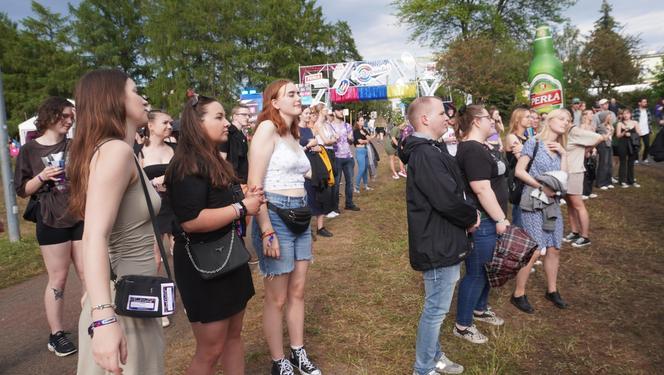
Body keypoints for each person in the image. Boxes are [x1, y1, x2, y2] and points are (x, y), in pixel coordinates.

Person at [67, 69, 163, 374]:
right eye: (135, 91)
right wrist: (104, 317)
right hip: (122, 307)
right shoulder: (116, 152)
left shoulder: (119, 151)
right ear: (114, 100)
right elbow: (94, 235)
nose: (144, 99)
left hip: (133, 299)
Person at [166, 94, 262, 375]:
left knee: (233, 337)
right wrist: (242, 207)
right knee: (210, 349)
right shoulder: (186, 165)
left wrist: (244, 194)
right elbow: (192, 221)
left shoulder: (213, 159)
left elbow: (218, 198)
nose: (227, 123)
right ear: (196, 123)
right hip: (203, 264)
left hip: (228, 256)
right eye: (219, 117)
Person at [399, 96, 479, 375]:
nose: (448, 117)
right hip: (436, 242)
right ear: (424, 119)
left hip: (443, 237)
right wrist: (471, 216)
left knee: (437, 307)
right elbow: (445, 200)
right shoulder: (425, 154)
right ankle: (423, 368)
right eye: (441, 113)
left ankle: (434, 356)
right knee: (436, 310)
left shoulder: (431, 149)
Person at [248, 79, 322, 375]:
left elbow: (304, 172)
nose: (297, 96)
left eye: (298, 92)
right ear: (274, 102)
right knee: (277, 297)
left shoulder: (293, 133)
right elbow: (255, 185)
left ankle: (298, 351)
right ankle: (279, 361)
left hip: (300, 215)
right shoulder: (267, 129)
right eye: (290, 93)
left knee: (299, 290)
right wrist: (266, 228)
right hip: (275, 215)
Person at [14, 96, 84, 357]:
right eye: (64, 116)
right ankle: (56, 335)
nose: (69, 120)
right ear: (50, 116)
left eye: (71, 117)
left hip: (79, 214)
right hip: (50, 218)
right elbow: (22, 190)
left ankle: (94, 325)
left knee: (89, 274)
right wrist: (42, 176)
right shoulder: (29, 150)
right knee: (59, 278)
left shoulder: (75, 145)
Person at [453, 105, 508, 345]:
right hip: (483, 222)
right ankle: (463, 325)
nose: (493, 121)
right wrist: (500, 219)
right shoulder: (472, 150)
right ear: (476, 121)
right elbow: (482, 189)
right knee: (476, 273)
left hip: (489, 220)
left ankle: (480, 308)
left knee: (487, 269)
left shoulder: (478, 147)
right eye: (488, 117)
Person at [510, 109, 569, 314]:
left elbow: (564, 175)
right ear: (549, 120)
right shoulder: (533, 143)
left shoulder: (560, 147)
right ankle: (518, 293)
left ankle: (552, 290)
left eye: (568, 120)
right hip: (534, 200)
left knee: (554, 247)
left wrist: (564, 153)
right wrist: (540, 186)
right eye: (562, 118)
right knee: (535, 249)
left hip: (552, 202)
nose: (565, 123)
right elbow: (519, 171)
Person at [562, 114, 607, 248]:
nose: (563, 121)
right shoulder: (564, 132)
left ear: (569, 119)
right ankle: (575, 231)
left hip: (575, 172)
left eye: (565, 119)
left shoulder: (575, 130)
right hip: (565, 172)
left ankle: (585, 236)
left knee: (578, 204)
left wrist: (586, 149)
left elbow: (599, 137)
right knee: (569, 204)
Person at [300, 105, 334, 237]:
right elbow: (296, 150)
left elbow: (317, 145)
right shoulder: (295, 131)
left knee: (320, 194)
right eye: (306, 113)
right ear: (300, 115)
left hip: (315, 165)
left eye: (309, 113)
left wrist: (318, 148)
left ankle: (321, 227)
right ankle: (307, 230)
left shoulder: (310, 129)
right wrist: (309, 146)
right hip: (304, 168)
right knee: (307, 198)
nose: (308, 116)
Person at [505, 108, 532, 227]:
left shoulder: (528, 138)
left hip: (529, 179)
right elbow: (522, 160)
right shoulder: (512, 137)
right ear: (517, 119)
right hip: (519, 181)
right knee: (520, 218)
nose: (530, 119)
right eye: (527, 116)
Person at [330, 104, 359, 212]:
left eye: (342, 110)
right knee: (336, 184)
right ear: (333, 112)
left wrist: (350, 139)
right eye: (338, 110)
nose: (341, 111)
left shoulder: (348, 126)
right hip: (336, 157)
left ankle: (349, 203)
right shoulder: (329, 126)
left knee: (349, 182)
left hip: (348, 157)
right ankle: (335, 207)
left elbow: (351, 141)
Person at [220, 104, 251, 183]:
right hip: (231, 182)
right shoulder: (227, 133)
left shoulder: (241, 135)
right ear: (235, 117)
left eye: (248, 115)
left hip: (242, 182)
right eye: (244, 115)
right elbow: (221, 160)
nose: (247, 117)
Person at [615, 108, 640, 188]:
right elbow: (618, 136)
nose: (625, 115)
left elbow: (640, 133)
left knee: (631, 163)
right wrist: (624, 132)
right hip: (623, 144)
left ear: (630, 114)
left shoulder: (635, 122)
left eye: (627, 113)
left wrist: (632, 134)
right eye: (624, 113)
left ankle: (631, 181)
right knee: (623, 162)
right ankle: (622, 181)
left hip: (632, 144)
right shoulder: (619, 124)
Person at [593, 99, 615, 190]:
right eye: (608, 116)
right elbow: (605, 136)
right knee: (603, 163)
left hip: (609, 144)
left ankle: (608, 181)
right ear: (604, 117)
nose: (610, 118)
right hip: (603, 145)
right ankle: (600, 182)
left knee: (609, 163)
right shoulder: (601, 126)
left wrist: (611, 130)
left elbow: (610, 136)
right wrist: (610, 131)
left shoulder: (610, 125)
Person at [579, 110, 599, 198]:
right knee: (585, 171)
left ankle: (589, 191)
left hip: (592, 149)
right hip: (584, 150)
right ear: (585, 116)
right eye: (590, 113)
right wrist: (585, 151)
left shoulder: (592, 127)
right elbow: (581, 140)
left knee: (591, 170)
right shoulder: (582, 127)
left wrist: (594, 149)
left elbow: (594, 140)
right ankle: (583, 192)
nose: (592, 115)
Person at [353, 116, 373, 193]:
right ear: (357, 122)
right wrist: (366, 140)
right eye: (361, 120)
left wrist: (364, 134)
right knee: (361, 169)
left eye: (363, 120)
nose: (363, 121)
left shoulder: (364, 130)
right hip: (359, 150)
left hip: (365, 150)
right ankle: (356, 187)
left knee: (365, 169)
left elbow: (370, 138)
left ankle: (365, 185)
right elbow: (360, 141)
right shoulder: (356, 131)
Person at [632, 98, 654, 164]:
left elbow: (649, 121)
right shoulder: (635, 111)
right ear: (639, 103)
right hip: (637, 131)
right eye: (644, 102)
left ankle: (644, 158)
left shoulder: (648, 111)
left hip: (646, 131)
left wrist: (651, 129)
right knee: (636, 146)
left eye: (646, 102)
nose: (645, 103)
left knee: (647, 145)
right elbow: (633, 120)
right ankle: (636, 159)